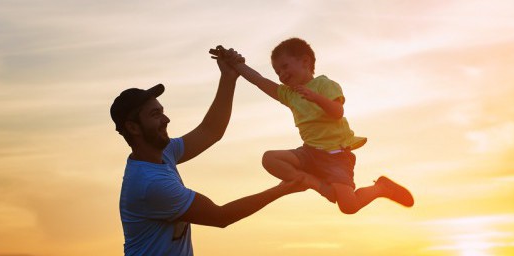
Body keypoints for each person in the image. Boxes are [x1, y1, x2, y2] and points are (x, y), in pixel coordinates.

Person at [110, 46, 307, 256]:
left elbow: (211, 131)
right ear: (133, 128)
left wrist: (229, 78)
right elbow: (220, 216)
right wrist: (282, 189)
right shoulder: (150, 184)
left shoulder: (164, 153)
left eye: (163, 112)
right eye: (155, 114)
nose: (166, 119)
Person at [212, 38, 414, 214]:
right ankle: (314, 183)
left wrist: (316, 98)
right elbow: (259, 80)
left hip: (337, 156)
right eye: (277, 71)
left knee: (348, 207)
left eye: (284, 67)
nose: (281, 74)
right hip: (309, 153)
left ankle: (380, 188)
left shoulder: (325, 84)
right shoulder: (289, 94)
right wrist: (236, 64)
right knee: (269, 159)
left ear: (305, 62)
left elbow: (338, 112)